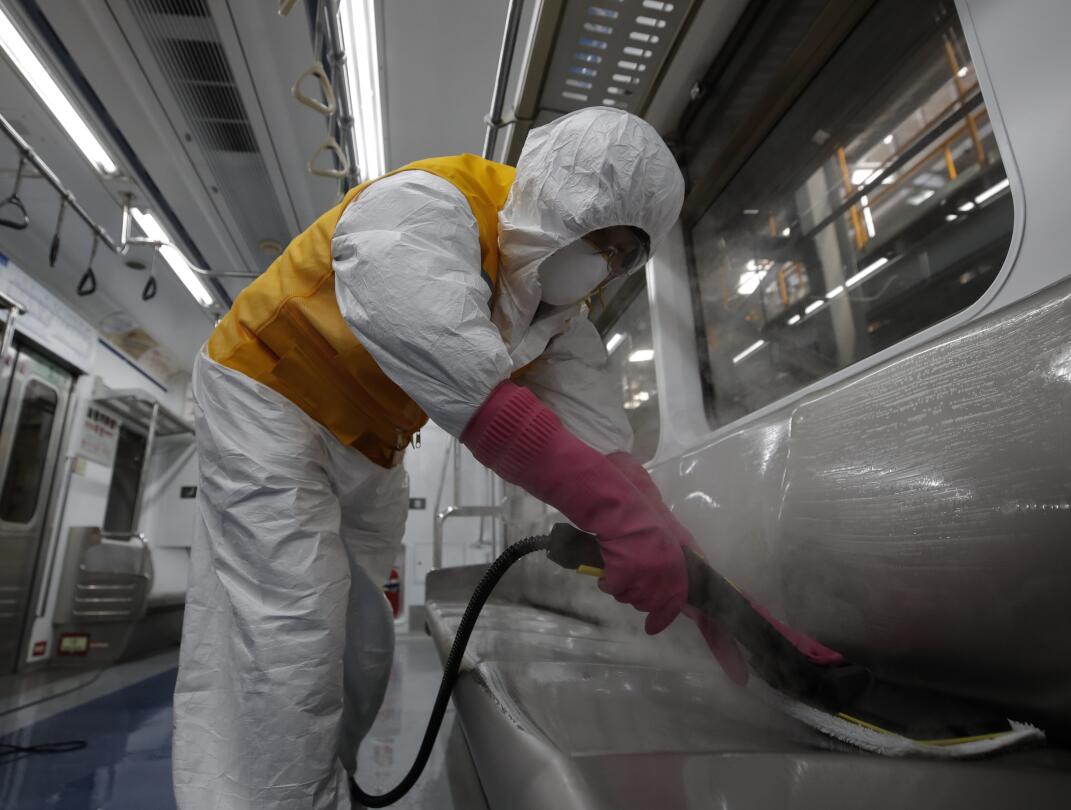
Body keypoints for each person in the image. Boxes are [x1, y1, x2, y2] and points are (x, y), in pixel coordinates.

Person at [172, 107, 838, 810]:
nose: (601, 265)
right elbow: (475, 394)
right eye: (599, 238)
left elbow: (608, 458)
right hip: (268, 399)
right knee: (291, 633)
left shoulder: (553, 322)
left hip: (367, 443)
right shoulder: (426, 209)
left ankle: (316, 782)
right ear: (559, 198)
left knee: (361, 646)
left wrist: (716, 598)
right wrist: (613, 518)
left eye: (622, 255)